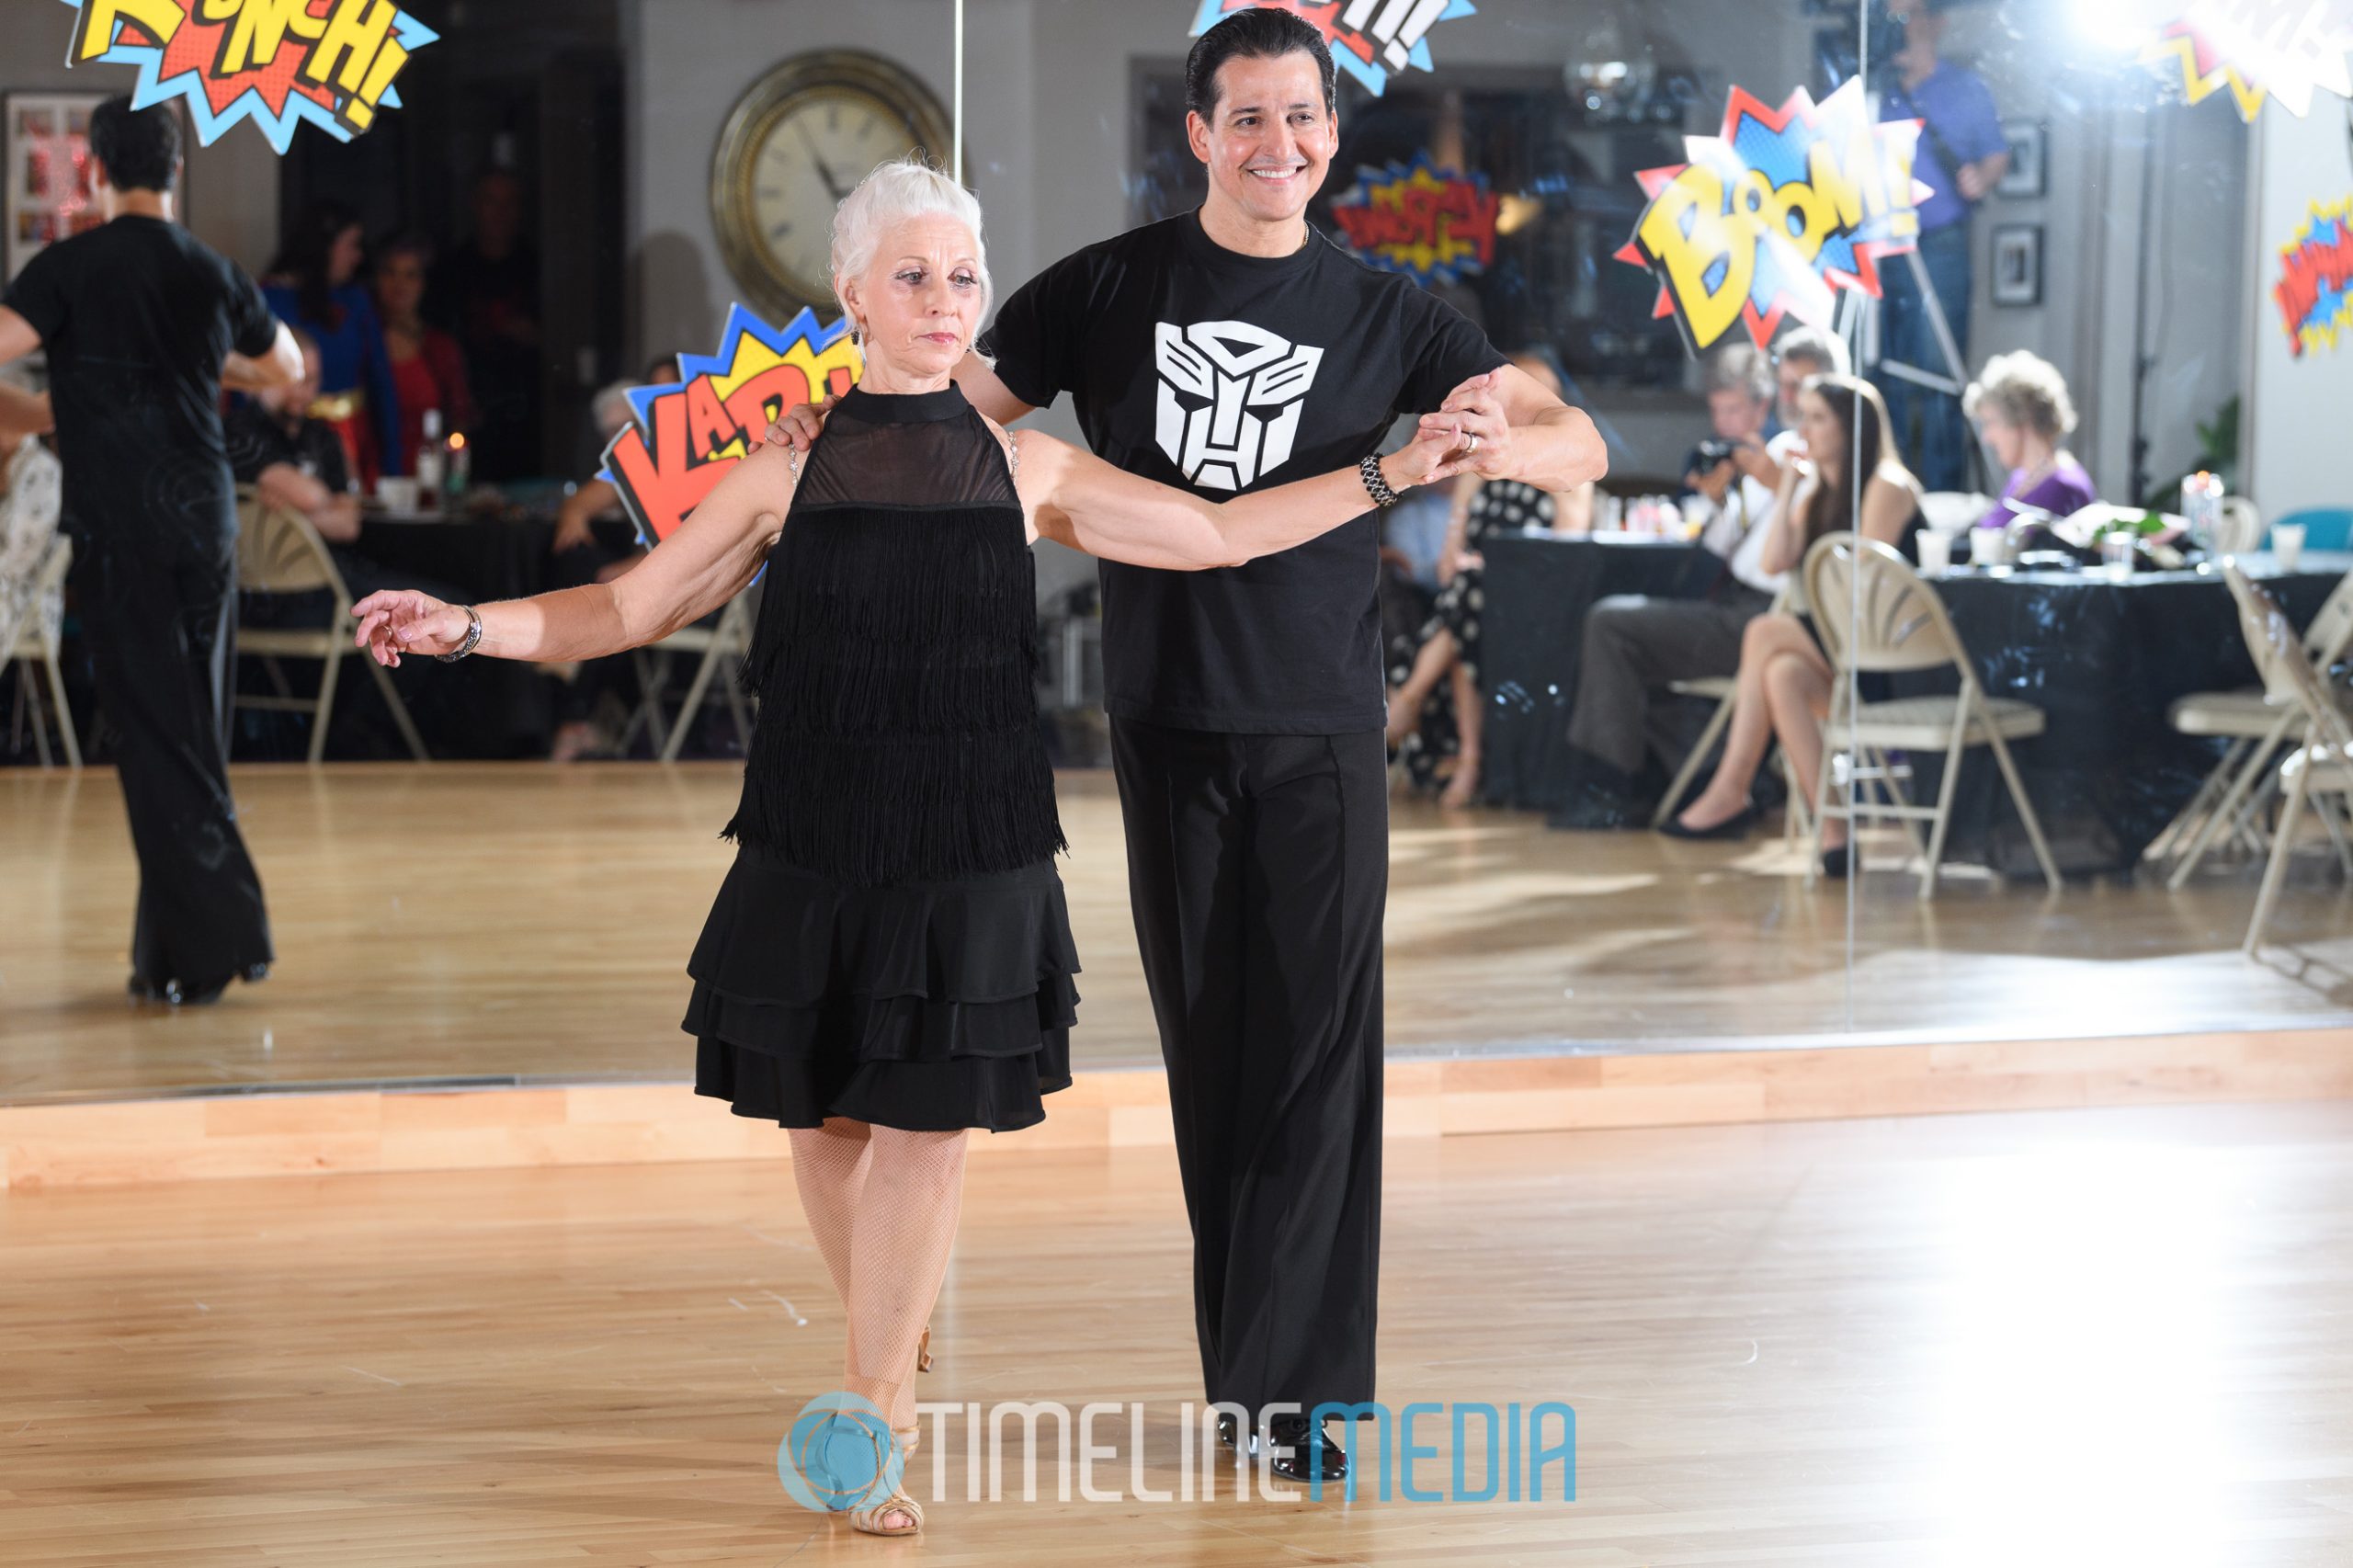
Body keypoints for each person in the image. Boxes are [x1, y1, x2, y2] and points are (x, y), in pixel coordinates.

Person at [348, 156, 1473, 1534]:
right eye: (914, 276)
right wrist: (464, 623)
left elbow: (1223, 535)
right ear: (850, 294)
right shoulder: (779, 475)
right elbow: (622, 608)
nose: (946, 302)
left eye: (963, 277)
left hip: (975, 844)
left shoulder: (1028, 467)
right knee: (822, 1121)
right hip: (814, 836)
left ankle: (871, 1412)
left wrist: (1387, 468)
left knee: (926, 1133)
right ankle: (895, 1325)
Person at [765, 8, 1604, 1483]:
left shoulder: (1395, 312)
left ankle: (1305, 1403)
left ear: (1333, 136)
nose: (1280, 144)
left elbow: (1574, 440)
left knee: (1318, 1065)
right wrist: (790, 499)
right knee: (1215, 1056)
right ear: (1201, 135)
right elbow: (943, 428)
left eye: (1305, 118)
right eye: (1250, 118)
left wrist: (1502, 441)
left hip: (1324, 727)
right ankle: (1248, 1379)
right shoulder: (1106, 285)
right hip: (1163, 724)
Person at [0, 94, 301, 1004]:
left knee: (154, 732)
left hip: (124, 522)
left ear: (93, 168)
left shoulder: (70, 266)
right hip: (205, 517)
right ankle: (166, 955)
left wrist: (60, 404)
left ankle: (225, 934)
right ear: (174, 170)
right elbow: (286, 367)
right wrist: (206, 366)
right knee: (189, 726)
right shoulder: (210, 269)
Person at [1551, 327, 1848, 828]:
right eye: (1788, 384)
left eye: (1806, 385)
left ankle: (1612, 789)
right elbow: (1724, 549)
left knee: (1612, 625)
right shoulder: (1778, 451)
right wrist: (1721, 501)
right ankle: (1677, 778)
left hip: (1770, 618)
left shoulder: (1829, 465)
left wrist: (1778, 486)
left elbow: (1801, 554)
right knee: (1613, 630)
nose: (1794, 397)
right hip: (1736, 602)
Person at [1663, 373, 1927, 875]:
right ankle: (1834, 833)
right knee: (1782, 673)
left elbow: (1859, 586)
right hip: (1844, 653)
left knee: (1764, 632)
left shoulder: (1887, 485)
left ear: (1852, 428)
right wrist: (1789, 489)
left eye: (1817, 418)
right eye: (1802, 416)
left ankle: (1732, 786)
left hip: (1894, 660)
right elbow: (1774, 561)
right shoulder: (1819, 490)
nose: (1803, 429)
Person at [1386, 349, 1593, 806]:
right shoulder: (1481, 460)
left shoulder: (1567, 469)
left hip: (1533, 598)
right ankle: (1470, 756)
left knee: (1469, 602)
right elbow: (1449, 552)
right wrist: (1464, 563)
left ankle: (1411, 699)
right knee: (1468, 609)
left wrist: (1496, 569)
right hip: (1476, 595)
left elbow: (1565, 554)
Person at [1872, 0, 2007, 493]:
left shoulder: (1966, 88)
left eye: (1907, 16)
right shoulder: (1873, 90)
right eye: (1890, 18)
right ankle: (1888, 493)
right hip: (1880, 244)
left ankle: (1943, 497)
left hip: (1939, 241)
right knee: (1883, 374)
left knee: (1937, 374)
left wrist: (1981, 177)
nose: (1900, 28)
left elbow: (1997, 156)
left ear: (1935, 23)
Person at [264, 201, 404, 484]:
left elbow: (381, 384)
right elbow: (252, 388)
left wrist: (393, 464)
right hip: (291, 440)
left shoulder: (357, 302)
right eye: (351, 245)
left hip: (355, 439)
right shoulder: (272, 298)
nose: (358, 256)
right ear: (326, 246)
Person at [428, 171, 540, 482]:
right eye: (492, 202)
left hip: (526, 406)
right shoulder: (452, 270)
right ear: (475, 206)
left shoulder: (535, 267)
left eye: (510, 203)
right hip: (468, 403)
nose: (500, 213)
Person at [372, 233, 474, 479]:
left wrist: (452, 477)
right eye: (389, 272)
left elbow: (459, 418)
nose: (399, 284)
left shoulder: (441, 348)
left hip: (427, 479)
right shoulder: (361, 342)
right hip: (372, 478)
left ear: (423, 283)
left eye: (410, 275)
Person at [1963, 350, 2095, 529]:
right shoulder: (2021, 477)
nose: (1986, 438)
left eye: (1991, 422)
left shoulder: (2062, 486)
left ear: (2021, 419)